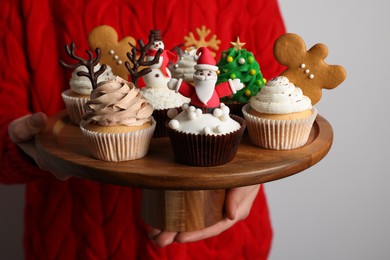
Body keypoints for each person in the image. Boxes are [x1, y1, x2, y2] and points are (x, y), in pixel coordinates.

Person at [0, 0, 286, 259]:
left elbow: (274, 103)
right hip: (78, 240)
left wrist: (252, 172)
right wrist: (25, 150)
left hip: (224, 244)